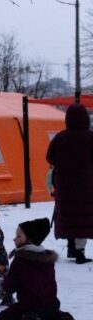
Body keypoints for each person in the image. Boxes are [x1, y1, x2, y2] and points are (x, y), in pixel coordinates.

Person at [0, 218, 85, 320]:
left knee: (5, 316)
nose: (14, 239)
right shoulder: (47, 259)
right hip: (52, 304)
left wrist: (3, 284)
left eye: (19, 236)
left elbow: (10, 285)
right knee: (51, 315)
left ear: (30, 239)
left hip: (30, 305)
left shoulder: (21, 259)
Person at [46, 103, 93, 264]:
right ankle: (80, 252)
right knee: (82, 217)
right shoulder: (90, 137)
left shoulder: (60, 137)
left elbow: (50, 157)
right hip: (87, 186)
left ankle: (71, 247)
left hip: (65, 186)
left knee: (70, 216)